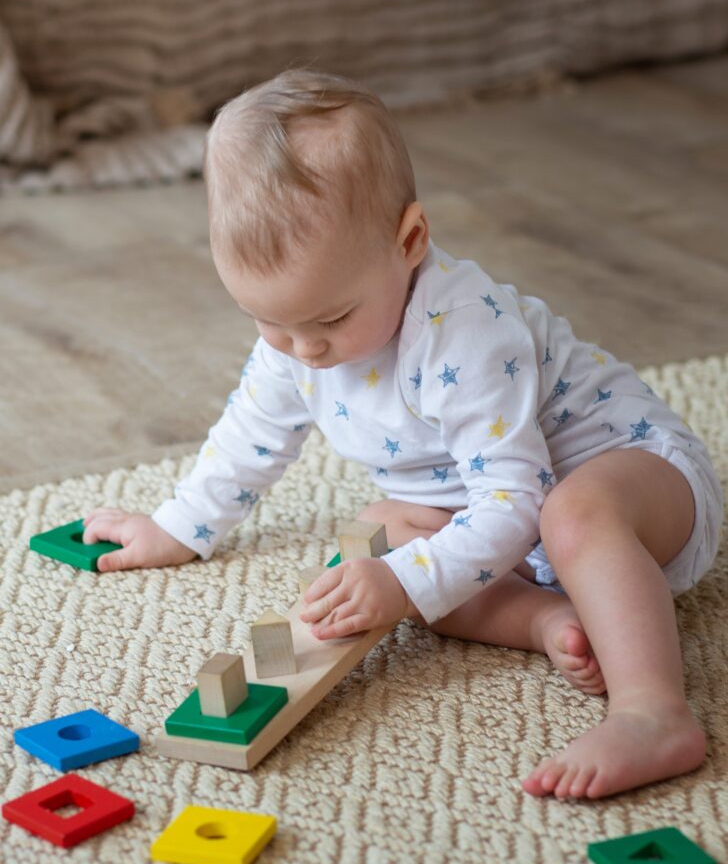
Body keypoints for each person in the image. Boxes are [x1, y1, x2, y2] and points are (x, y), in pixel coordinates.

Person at [83, 69, 723, 801]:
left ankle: (653, 711)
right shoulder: (297, 338)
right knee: (384, 532)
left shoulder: (470, 334)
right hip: (512, 522)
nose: (305, 350)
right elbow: (252, 432)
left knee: (555, 522)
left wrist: (404, 582)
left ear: (409, 239)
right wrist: (178, 527)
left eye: (329, 320)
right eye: (269, 321)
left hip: (636, 484)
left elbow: (518, 499)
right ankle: (553, 620)